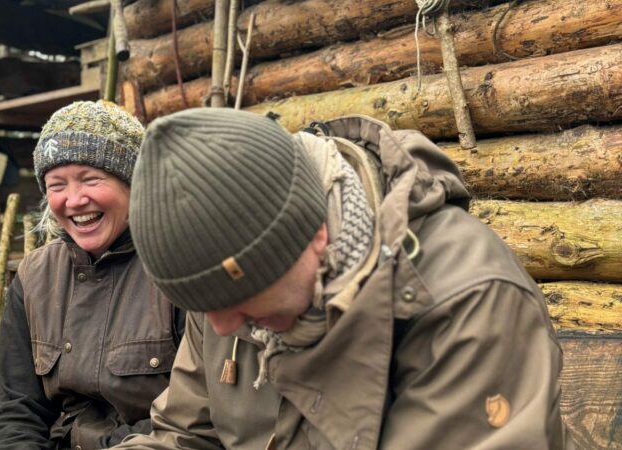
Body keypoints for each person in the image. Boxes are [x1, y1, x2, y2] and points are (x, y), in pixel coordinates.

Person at [114, 108, 573, 449]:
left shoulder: (468, 301)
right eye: (200, 303)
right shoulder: (226, 301)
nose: (219, 327)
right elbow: (185, 437)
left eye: (237, 297)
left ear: (313, 234)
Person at [0, 101, 184, 450]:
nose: (74, 200)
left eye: (91, 179)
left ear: (134, 184)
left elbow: (193, 415)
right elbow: (13, 410)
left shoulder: (181, 271)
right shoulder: (34, 277)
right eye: (57, 185)